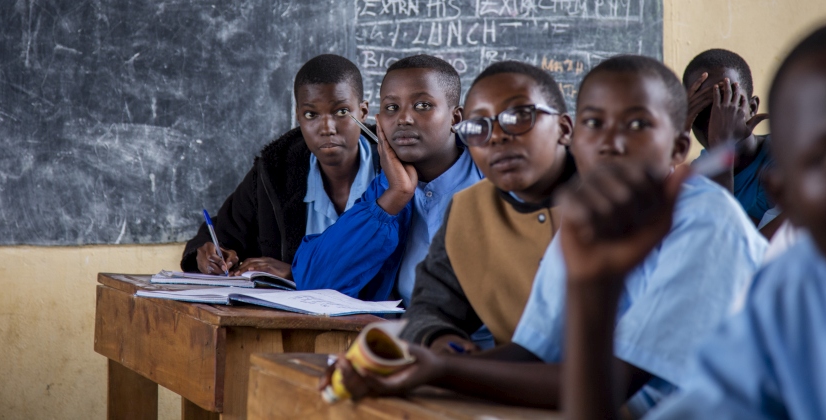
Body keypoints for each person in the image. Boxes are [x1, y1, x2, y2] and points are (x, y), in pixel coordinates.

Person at [322, 55, 766, 416]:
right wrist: (418, 364)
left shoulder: (706, 221)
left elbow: (611, 384)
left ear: (677, 148)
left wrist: (443, 371)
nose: (611, 141)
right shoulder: (585, 221)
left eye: (637, 125)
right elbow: (531, 355)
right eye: (596, 123)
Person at [562, 19, 826, 420]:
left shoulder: (773, 160)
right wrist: (593, 295)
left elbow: (734, 242)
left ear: (752, 108)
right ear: (787, 195)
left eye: (727, 104)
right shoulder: (790, 298)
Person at [401, 61, 576, 353]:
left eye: (519, 115)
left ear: (564, 128)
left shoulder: (616, 202)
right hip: (503, 388)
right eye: (477, 127)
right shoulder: (469, 210)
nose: (496, 136)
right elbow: (429, 308)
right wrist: (442, 343)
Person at [291, 54, 482, 302]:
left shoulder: (495, 178)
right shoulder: (384, 192)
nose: (403, 119)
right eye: (391, 107)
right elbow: (315, 283)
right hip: (405, 337)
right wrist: (395, 197)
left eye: (422, 105)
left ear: (456, 118)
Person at [180, 54, 378, 278]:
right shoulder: (275, 172)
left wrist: (296, 273)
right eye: (311, 114)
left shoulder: (395, 173)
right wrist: (209, 253)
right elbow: (221, 233)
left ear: (363, 111)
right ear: (298, 117)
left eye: (342, 112)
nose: (327, 127)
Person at [682, 49, 780, 236]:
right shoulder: (697, 174)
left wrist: (721, 149)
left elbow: (728, 248)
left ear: (752, 108)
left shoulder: (782, 162)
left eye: (727, 105)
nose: (716, 122)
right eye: (701, 111)